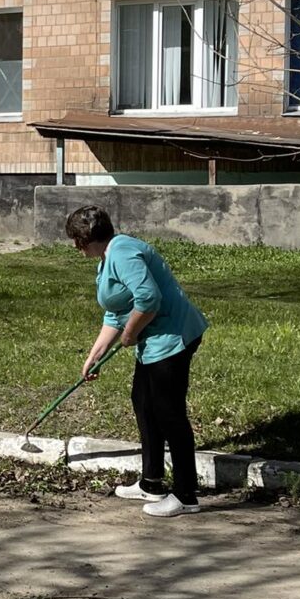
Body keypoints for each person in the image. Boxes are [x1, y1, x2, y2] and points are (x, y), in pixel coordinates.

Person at [66, 205, 209, 518]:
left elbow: (148, 299)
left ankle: (186, 495)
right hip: (154, 339)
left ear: (83, 241)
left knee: (169, 412)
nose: (74, 247)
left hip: (173, 337)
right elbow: (116, 311)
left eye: (75, 241)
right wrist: (96, 354)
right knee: (144, 403)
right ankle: (151, 481)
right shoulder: (108, 257)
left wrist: (130, 333)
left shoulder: (122, 253)